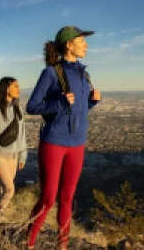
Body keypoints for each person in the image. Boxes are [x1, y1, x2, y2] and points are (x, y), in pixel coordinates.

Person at [25, 26, 101, 249]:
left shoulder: (84, 73)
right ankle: (28, 242)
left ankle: (63, 245)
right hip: (54, 142)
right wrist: (58, 102)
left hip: (77, 143)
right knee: (48, 199)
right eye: (81, 40)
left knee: (67, 198)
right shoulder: (51, 72)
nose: (86, 45)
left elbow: (78, 109)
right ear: (69, 45)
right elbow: (32, 106)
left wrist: (92, 102)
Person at [0, 77, 27, 221]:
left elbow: (22, 135)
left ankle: (1, 220)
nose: (18, 89)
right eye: (15, 86)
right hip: (0, 156)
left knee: (4, 190)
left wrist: (22, 155)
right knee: (10, 190)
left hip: (14, 157)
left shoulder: (18, 109)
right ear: (6, 88)